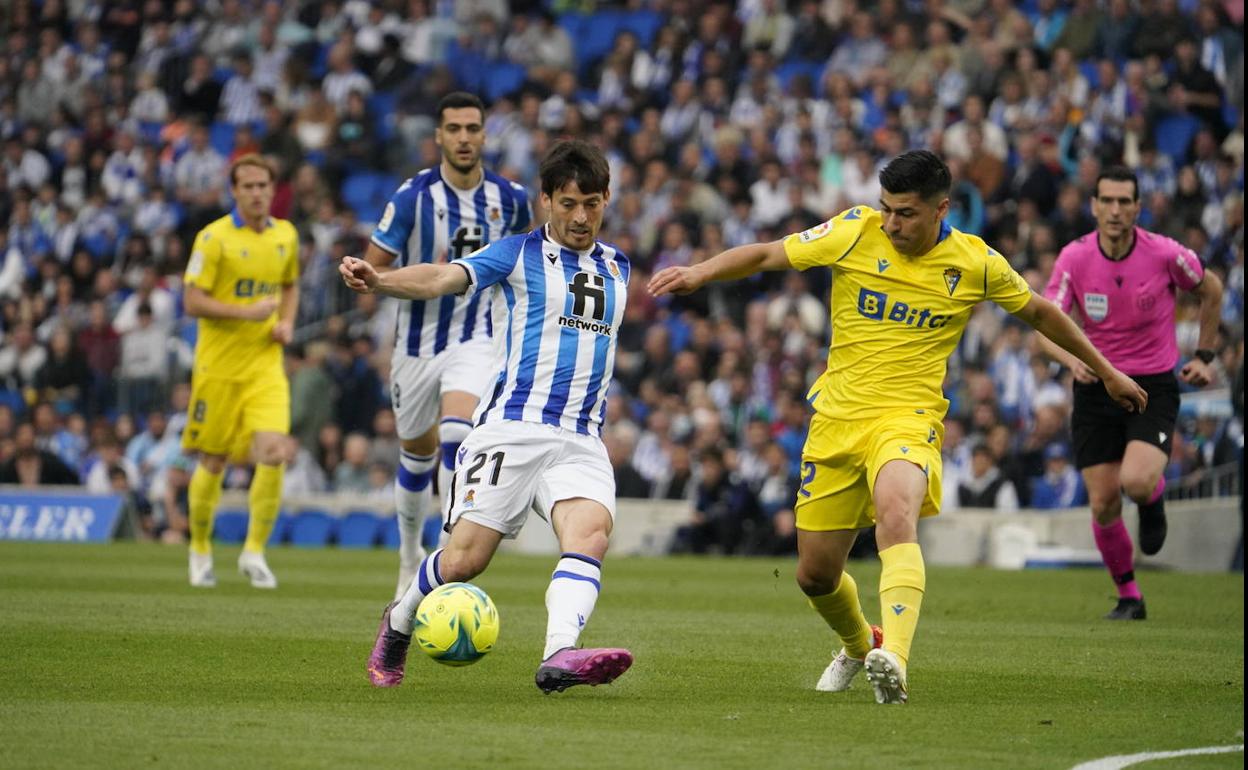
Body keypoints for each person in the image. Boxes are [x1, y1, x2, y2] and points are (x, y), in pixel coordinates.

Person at [649, 150, 1147, 705]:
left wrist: (1108, 372)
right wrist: (700, 271)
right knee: (814, 575)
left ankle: (897, 661)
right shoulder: (854, 231)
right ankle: (863, 645)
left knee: (896, 513)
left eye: (906, 213)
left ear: (942, 209)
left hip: (908, 417)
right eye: (887, 209)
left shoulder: (975, 263)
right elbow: (769, 254)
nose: (891, 223)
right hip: (837, 419)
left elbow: (1041, 313)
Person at [343, 139, 633, 693]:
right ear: (546, 200)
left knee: (590, 535)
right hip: (511, 429)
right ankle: (398, 623)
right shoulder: (516, 254)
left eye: (592, 204)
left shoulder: (617, 264)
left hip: (580, 436)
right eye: (568, 204)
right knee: (464, 561)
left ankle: (559, 657)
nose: (580, 216)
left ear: (606, 199)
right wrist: (380, 280)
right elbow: (440, 278)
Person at [359, 92, 532, 599]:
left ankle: (443, 559)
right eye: (453, 128)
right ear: (438, 136)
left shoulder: (513, 199)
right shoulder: (413, 197)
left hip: (478, 337)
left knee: (458, 434)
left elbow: (532, 257)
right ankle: (409, 552)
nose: (463, 137)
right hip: (415, 345)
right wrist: (368, 275)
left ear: (484, 135)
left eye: (472, 128)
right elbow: (378, 265)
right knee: (416, 453)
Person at [1041, 166, 1224, 621]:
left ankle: (1153, 497)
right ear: (1094, 206)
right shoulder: (1074, 258)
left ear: (1138, 208)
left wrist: (1205, 355)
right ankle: (1129, 596)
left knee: (1136, 482)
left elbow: (1211, 288)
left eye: (1126, 201)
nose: (1116, 210)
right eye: (1108, 200)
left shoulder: (1164, 253)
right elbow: (1045, 321)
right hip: (1096, 385)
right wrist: (1071, 360)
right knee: (1103, 502)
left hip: (1151, 386)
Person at [181, 153, 300, 590]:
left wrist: (285, 321)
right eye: (247, 186)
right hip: (219, 369)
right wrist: (247, 313)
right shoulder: (213, 239)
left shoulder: (286, 235)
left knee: (275, 452)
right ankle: (199, 550)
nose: (256, 193)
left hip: (265, 368)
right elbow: (192, 301)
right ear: (234, 191)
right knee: (213, 460)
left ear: (272, 189)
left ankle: (254, 552)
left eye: (263, 185)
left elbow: (290, 285)